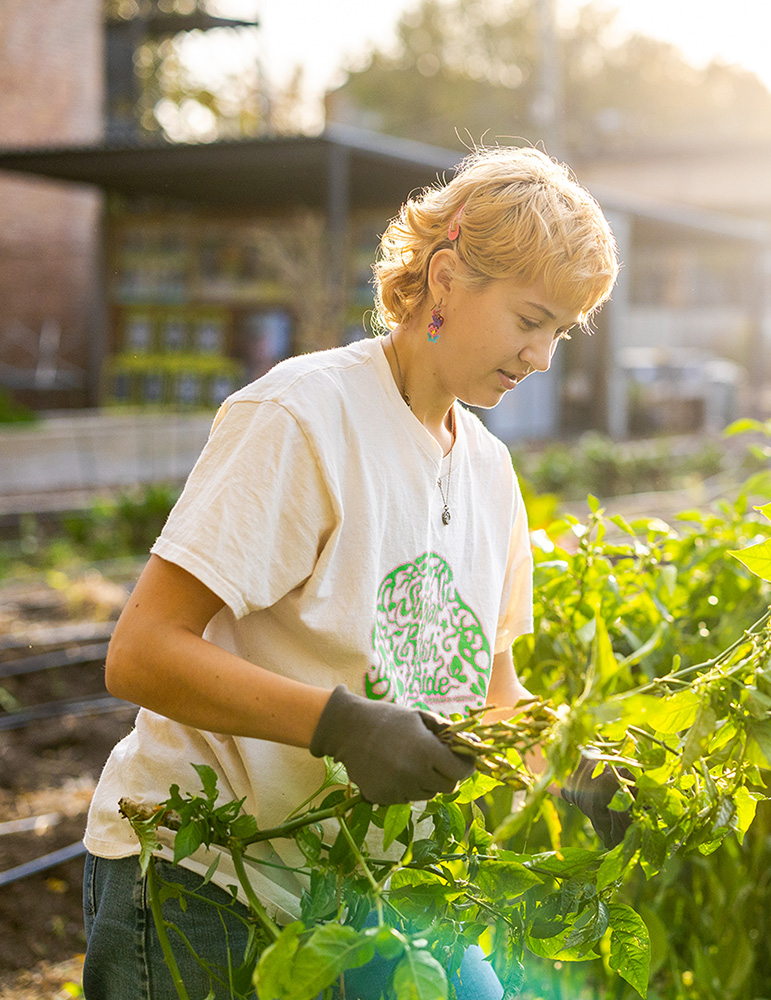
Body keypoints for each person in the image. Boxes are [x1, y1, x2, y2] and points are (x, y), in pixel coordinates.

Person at [82, 144, 621, 1000]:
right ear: (446, 280)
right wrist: (340, 726)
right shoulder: (304, 416)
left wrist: (567, 762)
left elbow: (491, 691)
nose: (543, 356)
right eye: (530, 319)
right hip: (209, 876)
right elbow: (142, 653)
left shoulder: (488, 472)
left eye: (561, 330)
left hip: (372, 893)